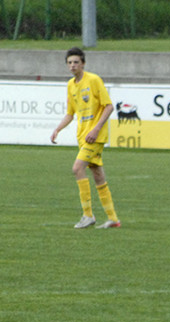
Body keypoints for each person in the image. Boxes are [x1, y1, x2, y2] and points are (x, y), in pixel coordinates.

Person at [49, 47, 120, 229]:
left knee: (77, 168)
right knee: (97, 173)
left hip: (94, 137)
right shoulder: (71, 85)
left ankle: (88, 215)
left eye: (76, 62)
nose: (72, 65)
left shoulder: (94, 80)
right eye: (70, 62)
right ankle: (113, 219)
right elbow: (70, 114)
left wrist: (96, 129)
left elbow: (109, 107)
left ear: (83, 64)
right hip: (83, 136)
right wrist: (58, 129)